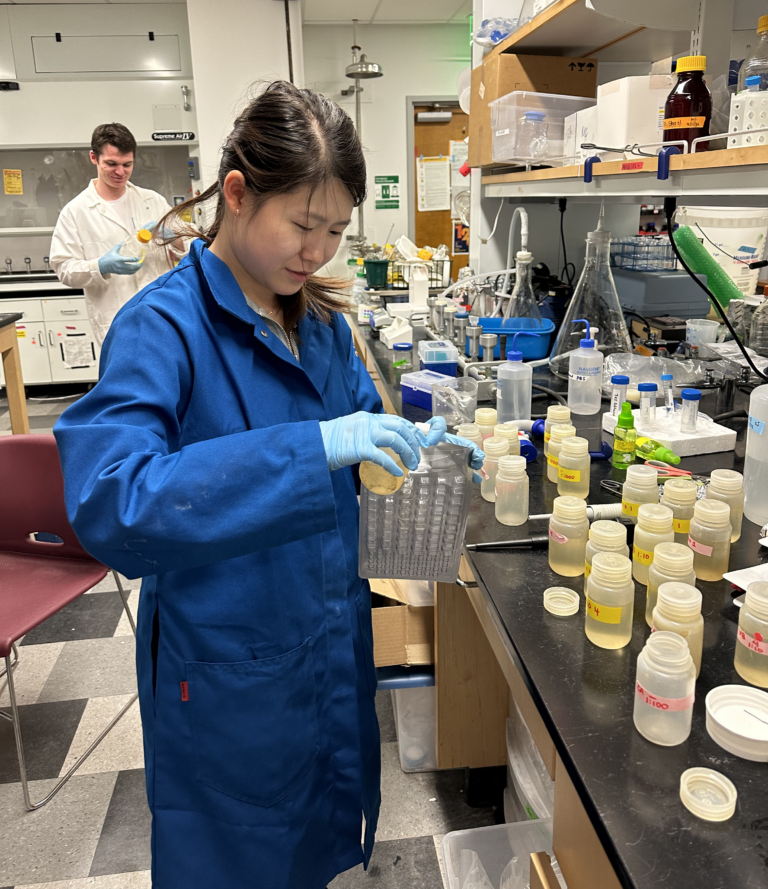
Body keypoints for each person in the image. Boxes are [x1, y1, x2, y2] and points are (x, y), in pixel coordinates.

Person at [54, 83, 483, 889]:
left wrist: (411, 451)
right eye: (303, 224)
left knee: (317, 841)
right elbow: (111, 499)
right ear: (238, 194)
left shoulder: (319, 325)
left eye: (336, 231)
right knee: (239, 856)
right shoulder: (163, 326)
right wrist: (310, 449)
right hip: (229, 666)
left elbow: (359, 439)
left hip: (327, 642)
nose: (318, 251)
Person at [50, 122, 175, 345]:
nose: (120, 172)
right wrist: (100, 266)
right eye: (111, 164)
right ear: (94, 157)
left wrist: (176, 237)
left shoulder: (153, 201)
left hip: (162, 314)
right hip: (116, 320)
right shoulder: (76, 211)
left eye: (127, 164)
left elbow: (186, 249)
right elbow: (64, 268)